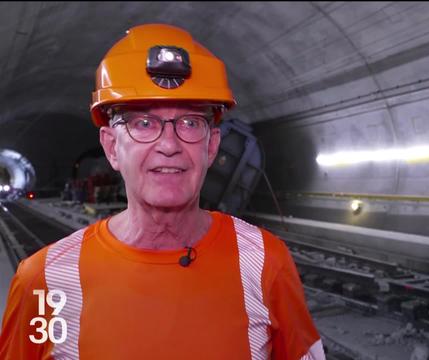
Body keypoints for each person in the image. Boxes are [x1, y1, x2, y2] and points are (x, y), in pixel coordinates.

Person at [0, 23, 325, 360]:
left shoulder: (265, 262)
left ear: (212, 145)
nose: (169, 145)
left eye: (190, 123)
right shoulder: (43, 281)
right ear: (111, 147)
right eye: (143, 123)